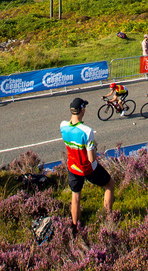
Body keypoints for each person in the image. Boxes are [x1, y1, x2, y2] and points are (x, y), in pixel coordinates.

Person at [60, 98, 114, 231]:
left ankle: (75, 227)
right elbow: (91, 158)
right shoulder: (87, 131)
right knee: (110, 185)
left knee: (76, 195)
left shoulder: (63, 125)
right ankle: (108, 218)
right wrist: (94, 148)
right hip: (87, 168)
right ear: (82, 110)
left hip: (72, 167)